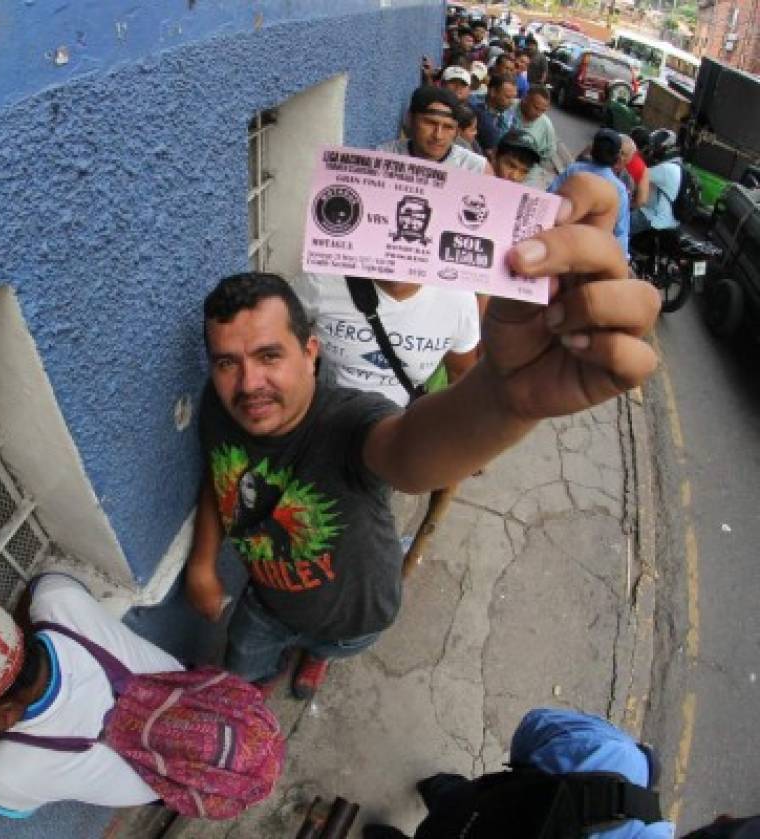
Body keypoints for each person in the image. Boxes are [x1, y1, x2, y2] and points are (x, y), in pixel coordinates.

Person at [185, 174, 661, 700]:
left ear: (311, 351)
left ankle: (317, 657)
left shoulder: (350, 420)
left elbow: (408, 453)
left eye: (269, 356)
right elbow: (221, 476)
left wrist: (505, 401)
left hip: (353, 620)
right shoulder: (217, 404)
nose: (249, 383)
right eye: (228, 362)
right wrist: (203, 562)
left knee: (328, 648)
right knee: (244, 679)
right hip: (264, 606)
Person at [0, 574, 184, 816]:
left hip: (175, 784)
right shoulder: (56, 597)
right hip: (193, 697)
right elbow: (41, 584)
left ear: (6, 717)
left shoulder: (5, 775)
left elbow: (4, 804)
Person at [362, 707, 672, 838]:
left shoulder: (619, 760)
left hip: (475, 816)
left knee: (454, 803)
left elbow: (533, 726)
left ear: (721, 820)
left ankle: (440, 791)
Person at [292, 275, 479, 409]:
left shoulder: (458, 299)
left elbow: (461, 374)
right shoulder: (321, 281)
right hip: (323, 418)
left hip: (401, 428)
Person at [550, 129, 631, 257]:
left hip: (559, 238)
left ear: (592, 150)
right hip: (590, 250)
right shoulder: (619, 189)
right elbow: (621, 231)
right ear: (616, 157)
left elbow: (550, 195)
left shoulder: (574, 170)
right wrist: (623, 258)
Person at [382, 86, 490, 175]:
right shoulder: (383, 158)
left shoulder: (476, 169)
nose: (438, 135)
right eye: (430, 123)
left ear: (457, 131)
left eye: (448, 127)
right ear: (410, 119)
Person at [630, 129, 683, 238]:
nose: (652, 150)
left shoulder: (666, 169)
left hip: (654, 217)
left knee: (618, 226)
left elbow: (638, 173)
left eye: (655, 147)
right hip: (670, 218)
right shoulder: (677, 165)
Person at [510, 84, 557, 183]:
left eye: (543, 111)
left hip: (526, 175)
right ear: (525, 99)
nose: (539, 114)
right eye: (536, 108)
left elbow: (549, 152)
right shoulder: (509, 106)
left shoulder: (546, 126)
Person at [472, 72, 517, 151]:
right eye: (508, 97)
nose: (511, 102)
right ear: (493, 92)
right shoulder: (472, 105)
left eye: (513, 97)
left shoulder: (510, 114)